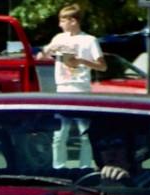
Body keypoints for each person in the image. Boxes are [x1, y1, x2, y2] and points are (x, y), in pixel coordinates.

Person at [37, 4, 107, 168]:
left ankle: (85, 167)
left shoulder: (89, 40)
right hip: (62, 88)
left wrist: (81, 61)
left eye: (63, 20)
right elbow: (41, 56)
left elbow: (103, 66)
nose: (60, 24)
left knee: (85, 133)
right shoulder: (59, 38)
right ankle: (58, 167)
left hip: (81, 89)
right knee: (60, 134)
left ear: (73, 21)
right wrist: (48, 50)